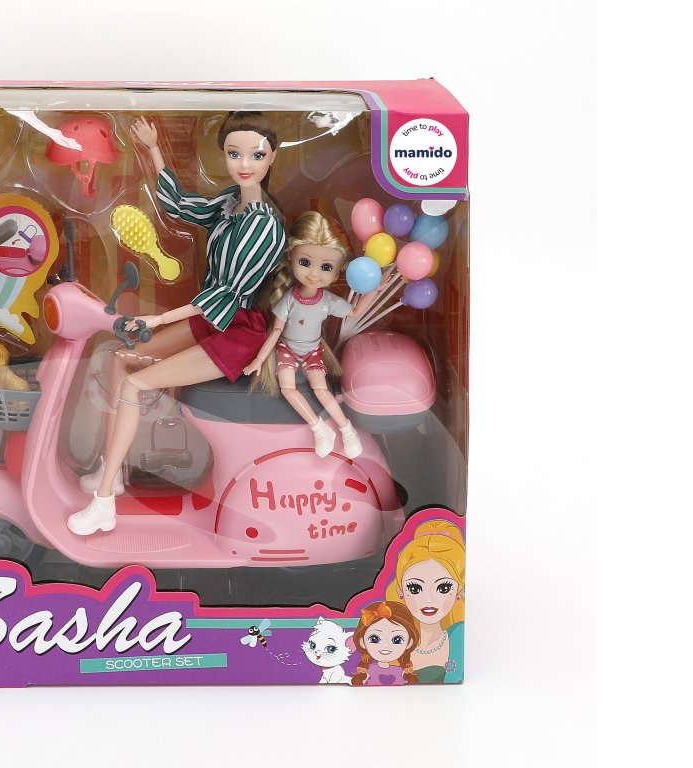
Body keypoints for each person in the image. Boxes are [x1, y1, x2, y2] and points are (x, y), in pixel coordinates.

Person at [68, 112, 286, 536]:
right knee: (120, 360)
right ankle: (111, 471)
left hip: (236, 331)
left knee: (136, 383)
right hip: (210, 320)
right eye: (235, 153)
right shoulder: (232, 203)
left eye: (256, 155)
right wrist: (153, 149)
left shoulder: (263, 226)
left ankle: (104, 503)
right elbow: (181, 206)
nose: (245, 164)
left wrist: (160, 317)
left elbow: (224, 295)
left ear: (272, 156)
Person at [244, 210, 370, 458]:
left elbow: (354, 311)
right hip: (287, 349)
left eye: (326, 267)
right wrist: (259, 359)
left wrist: (375, 288)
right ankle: (319, 428)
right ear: (291, 256)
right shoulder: (289, 299)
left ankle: (347, 430)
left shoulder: (328, 300)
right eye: (305, 262)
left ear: (338, 271)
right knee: (287, 388)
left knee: (321, 390)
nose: (314, 274)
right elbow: (276, 330)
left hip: (313, 350)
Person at [385, 519, 466, 683]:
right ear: (400, 591)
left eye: (443, 588)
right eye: (415, 588)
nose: (429, 599)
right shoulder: (389, 639)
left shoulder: (457, 636)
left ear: (460, 591)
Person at [349, 600, 419, 686]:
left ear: (409, 642)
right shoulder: (367, 672)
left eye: (397, 640)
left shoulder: (401, 672)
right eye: (374, 639)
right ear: (362, 641)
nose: (385, 646)